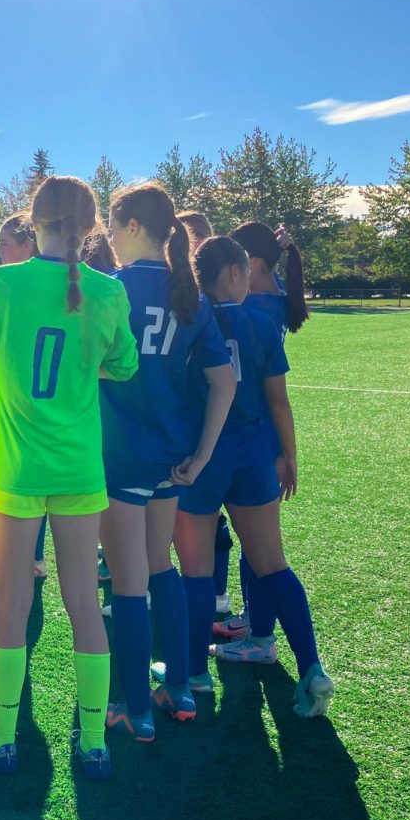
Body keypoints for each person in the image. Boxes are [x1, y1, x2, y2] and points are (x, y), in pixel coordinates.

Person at [0, 176, 138, 780]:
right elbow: (124, 365)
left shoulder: (2, 283)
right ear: (89, 228)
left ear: (32, 222)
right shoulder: (110, 292)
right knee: (84, 602)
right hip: (80, 468)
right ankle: (93, 745)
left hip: (17, 470)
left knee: (13, 600)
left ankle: (4, 738)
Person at [98, 184, 235, 740]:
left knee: (129, 580)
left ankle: (136, 706)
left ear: (132, 226)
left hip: (121, 452)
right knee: (160, 566)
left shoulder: (108, 291)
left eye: (112, 225)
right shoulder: (191, 295)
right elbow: (222, 382)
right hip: (173, 454)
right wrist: (202, 454)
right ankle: (178, 686)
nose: (107, 236)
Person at [181, 237, 334, 717]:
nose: (250, 281)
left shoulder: (187, 319)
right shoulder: (262, 324)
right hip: (252, 457)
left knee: (196, 571)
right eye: (246, 272)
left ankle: (193, 674)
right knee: (273, 563)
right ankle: (311, 668)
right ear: (231, 272)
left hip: (198, 462)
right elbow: (278, 401)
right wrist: (289, 455)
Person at [214, 221, 308, 642]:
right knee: (260, 541)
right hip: (265, 433)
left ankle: (260, 629)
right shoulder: (278, 295)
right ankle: (257, 623)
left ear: (248, 265)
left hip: (244, 430)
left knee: (259, 547)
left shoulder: (253, 310)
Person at [0, 211, 48, 579]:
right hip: (10, 398)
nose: (0, 251)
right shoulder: (7, 286)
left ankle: (33, 559)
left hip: (36, 405)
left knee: (30, 478)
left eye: (5, 243)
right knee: (3, 469)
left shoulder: (26, 285)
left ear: (27, 244)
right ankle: (12, 547)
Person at [177, 210, 236, 615]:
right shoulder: (185, 301)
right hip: (208, 434)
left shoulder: (200, 307)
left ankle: (215, 595)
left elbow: (225, 381)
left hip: (211, 435)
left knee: (209, 533)